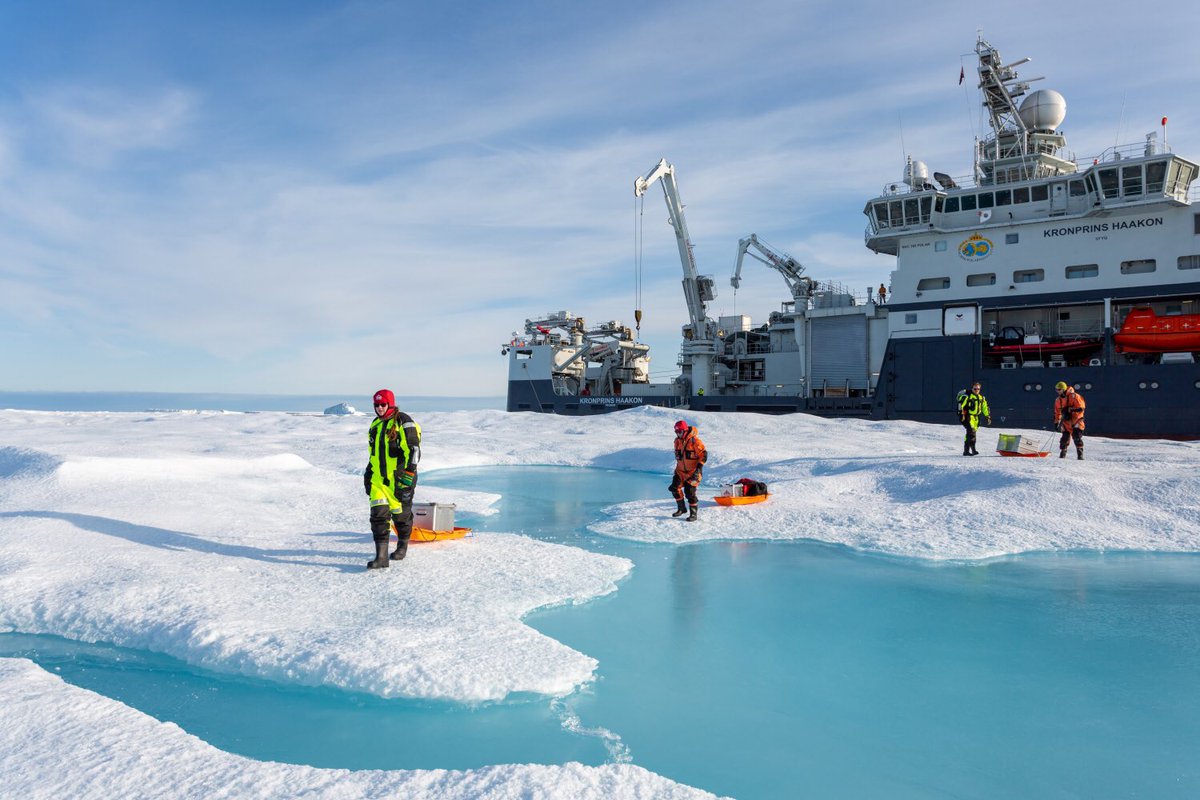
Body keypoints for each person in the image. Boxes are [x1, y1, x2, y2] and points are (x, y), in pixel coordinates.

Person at [363, 389, 423, 569]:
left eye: (383, 404)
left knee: (401, 516)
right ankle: (381, 557)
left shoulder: (404, 422)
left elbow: (414, 450)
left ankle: (402, 545)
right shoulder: (375, 425)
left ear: (390, 403)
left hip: (399, 479)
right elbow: (373, 453)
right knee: (378, 516)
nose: (380, 408)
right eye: (376, 405)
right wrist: (368, 473)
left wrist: (409, 475)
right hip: (378, 481)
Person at [669, 420, 707, 522]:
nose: (678, 434)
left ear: (685, 431)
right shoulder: (676, 441)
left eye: (680, 432)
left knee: (690, 493)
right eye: (676, 432)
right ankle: (681, 509)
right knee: (674, 488)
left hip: (693, 472)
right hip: (680, 471)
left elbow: (704, 455)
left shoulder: (695, 441)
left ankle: (693, 514)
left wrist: (698, 469)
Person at [1053, 381, 1086, 460]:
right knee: (1064, 439)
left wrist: (1069, 409)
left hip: (1076, 420)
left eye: (1059, 389)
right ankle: (1062, 455)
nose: (1058, 391)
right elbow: (1057, 412)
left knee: (1076, 436)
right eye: (1056, 389)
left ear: (1064, 389)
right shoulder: (1058, 400)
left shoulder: (1075, 396)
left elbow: (1081, 408)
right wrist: (1056, 422)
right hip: (1066, 421)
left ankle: (1080, 455)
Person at [958, 381, 991, 456]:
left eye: (978, 389)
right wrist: (961, 415)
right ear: (972, 388)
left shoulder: (981, 398)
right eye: (975, 389)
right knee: (971, 432)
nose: (976, 390)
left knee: (972, 433)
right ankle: (966, 451)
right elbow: (960, 405)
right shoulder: (967, 396)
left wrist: (987, 416)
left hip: (976, 418)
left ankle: (972, 450)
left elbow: (984, 407)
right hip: (968, 416)